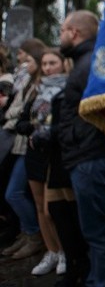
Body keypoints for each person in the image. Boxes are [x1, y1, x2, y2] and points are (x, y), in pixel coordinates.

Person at [57, 9, 105, 287]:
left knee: (98, 234)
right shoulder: (85, 62)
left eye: (62, 30)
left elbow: (102, 108)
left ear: (74, 32)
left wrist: (75, 139)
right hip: (86, 157)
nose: (60, 35)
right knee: (95, 232)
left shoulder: (90, 64)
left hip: (90, 159)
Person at [20, 48, 68, 276]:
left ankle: (65, 251)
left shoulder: (67, 88)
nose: (48, 68)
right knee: (40, 207)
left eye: (53, 63)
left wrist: (41, 130)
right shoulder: (36, 91)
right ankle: (52, 250)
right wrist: (32, 128)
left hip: (53, 154)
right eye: (45, 64)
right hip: (34, 152)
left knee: (53, 210)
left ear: (63, 64)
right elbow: (23, 120)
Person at [2, 38, 45, 260]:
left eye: (28, 60)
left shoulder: (39, 87)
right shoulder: (28, 84)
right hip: (20, 144)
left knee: (15, 193)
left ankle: (34, 235)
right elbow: (16, 110)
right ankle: (27, 233)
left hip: (28, 145)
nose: (24, 64)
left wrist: (16, 118)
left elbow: (19, 113)